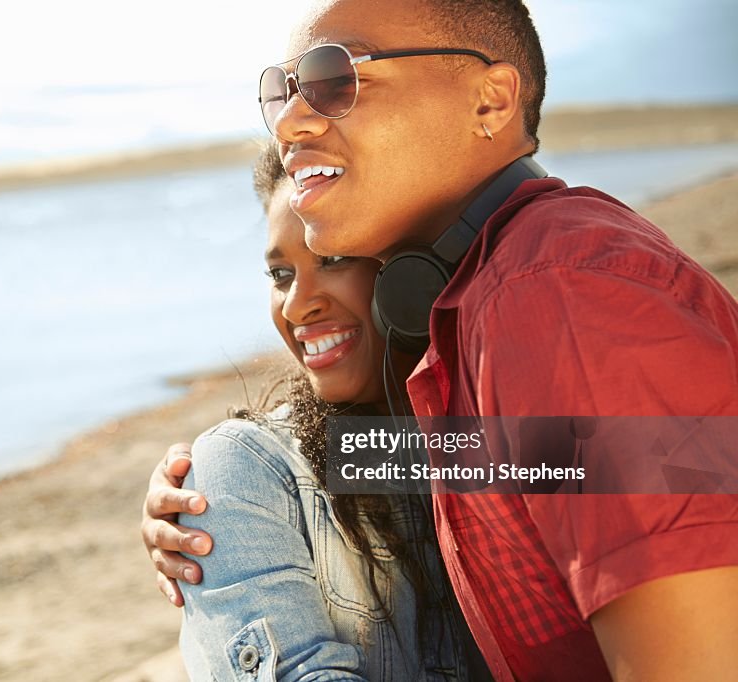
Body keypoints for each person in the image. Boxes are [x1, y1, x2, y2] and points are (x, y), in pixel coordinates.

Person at [143, 1, 738, 680]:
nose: (289, 120)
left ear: (489, 103)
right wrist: (225, 490)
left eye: (337, 77)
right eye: (280, 92)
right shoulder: (499, 306)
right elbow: (537, 465)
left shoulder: (553, 292)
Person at [173, 143, 484, 680]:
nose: (296, 305)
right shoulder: (251, 466)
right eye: (280, 274)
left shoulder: (483, 436)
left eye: (334, 259)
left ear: (414, 272)